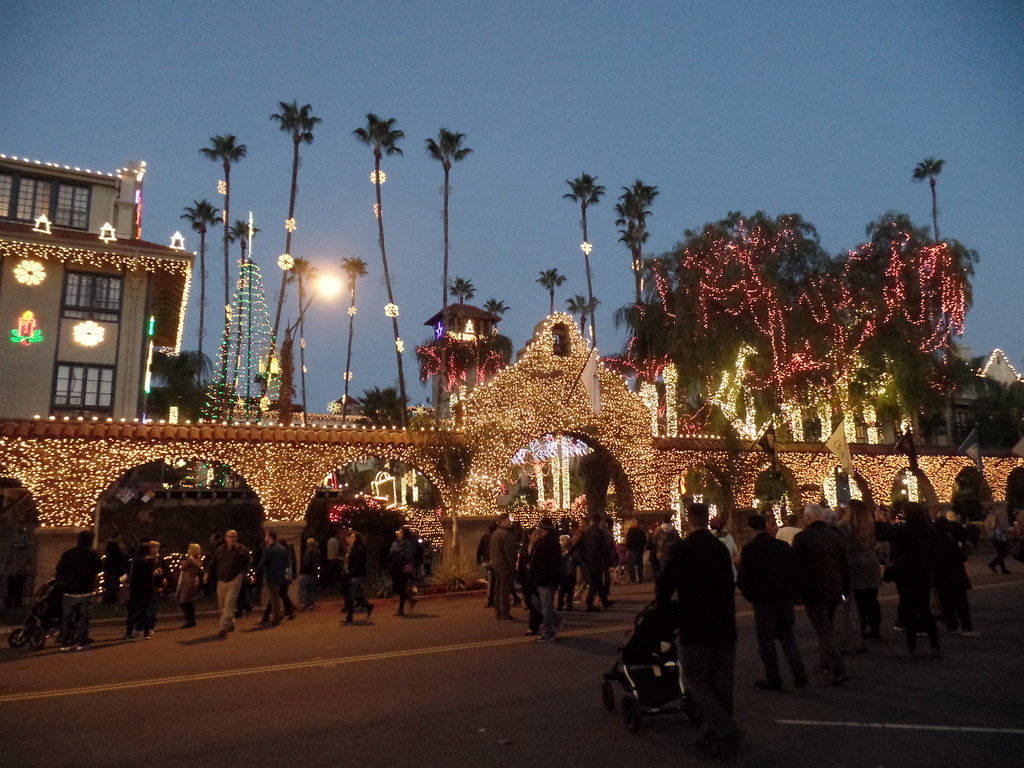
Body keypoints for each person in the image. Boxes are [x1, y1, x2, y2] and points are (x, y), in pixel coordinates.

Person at [656, 503, 741, 760]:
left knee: (696, 679)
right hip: (724, 624)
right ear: (707, 520)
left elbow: (664, 588)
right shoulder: (719, 548)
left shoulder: (682, 550)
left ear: (688, 520)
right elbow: (730, 583)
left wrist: (666, 619)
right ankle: (717, 734)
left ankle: (725, 729)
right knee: (722, 683)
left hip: (695, 624)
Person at [737, 514, 807, 692]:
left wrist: (751, 596)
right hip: (783, 597)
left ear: (751, 529)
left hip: (763, 600)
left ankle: (773, 677)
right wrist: (793, 592)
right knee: (787, 635)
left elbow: (744, 578)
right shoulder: (781, 546)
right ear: (766, 526)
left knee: (766, 640)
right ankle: (799, 673)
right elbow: (796, 571)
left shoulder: (750, 549)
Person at [792, 503, 850, 684]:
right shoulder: (836, 535)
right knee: (827, 626)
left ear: (808, 518)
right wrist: (845, 589)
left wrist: (797, 592)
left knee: (823, 629)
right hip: (834, 588)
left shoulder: (802, 538)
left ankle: (837, 667)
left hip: (813, 591)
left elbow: (797, 567)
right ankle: (825, 662)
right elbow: (845, 565)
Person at [887, 502, 941, 657]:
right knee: (925, 610)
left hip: (905, 573)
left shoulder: (903, 529)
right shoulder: (928, 528)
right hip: (923, 572)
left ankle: (912, 647)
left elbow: (886, 534)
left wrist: (882, 518)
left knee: (909, 609)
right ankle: (935, 646)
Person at [837, 499, 882, 643]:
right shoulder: (870, 525)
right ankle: (875, 629)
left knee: (859, 601)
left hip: (855, 565)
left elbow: (841, 546)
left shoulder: (844, 526)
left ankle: (861, 630)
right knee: (872, 600)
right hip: (871, 563)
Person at [54, 530, 102, 651]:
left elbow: (59, 571)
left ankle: (64, 641)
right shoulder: (92, 554)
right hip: (86, 589)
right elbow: (99, 568)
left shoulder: (68, 554)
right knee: (83, 618)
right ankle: (81, 641)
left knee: (67, 616)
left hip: (70, 589)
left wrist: (65, 581)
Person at [932, 515, 977, 636]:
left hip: (939, 574)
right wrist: (963, 550)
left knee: (946, 603)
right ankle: (967, 628)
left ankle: (952, 626)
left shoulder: (933, 539)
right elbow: (960, 556)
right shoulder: (949, 539)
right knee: (960, 602)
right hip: (954, 573)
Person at [204, 529, 251, 638]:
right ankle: (230, 623)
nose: (232, 539)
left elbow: (247, 563)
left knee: (229, 603)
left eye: (234, 536)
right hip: (221, 580)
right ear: (225, 538)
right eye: (230, 536)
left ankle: (223, 627)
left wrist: (243, 574)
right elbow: (212, 562)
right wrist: (207, 573)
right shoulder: (219, 550)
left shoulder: (242, 550)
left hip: (234, 579)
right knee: (222, 604)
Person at [528, 517, 563, 643]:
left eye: (540, 529)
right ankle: (556, 618)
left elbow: (551, 564)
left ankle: (548, 631)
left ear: (545, 530)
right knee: (537, 603)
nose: (539, 531)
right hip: (540, 579)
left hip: (546, 580)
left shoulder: (551, 544)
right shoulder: (542, 542)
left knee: (546, 606)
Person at [578, 513, 614, 612]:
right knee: (595, 583)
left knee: (598, 582)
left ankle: (605, 601)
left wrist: (582, 559)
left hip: (588, 561)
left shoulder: (586, 532)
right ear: (599, 522)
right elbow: (605, 549)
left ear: (591, 521)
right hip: (597, 560)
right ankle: (589, 604)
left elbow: (580, 546)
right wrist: (609, 562)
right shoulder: (601, 532)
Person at [256, 530, 290, 625]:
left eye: (266, 536)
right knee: (274, 596)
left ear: (270, 537)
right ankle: (267, 616)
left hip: (271, 575)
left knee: (274, 597)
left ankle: (276, 616)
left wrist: (256, 574)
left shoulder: (269, 549)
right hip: (281, 575)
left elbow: (263, 562)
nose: (265, 538)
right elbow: (287, 562)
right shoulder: (282, 548)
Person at [489, 512, 518, 622]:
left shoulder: (495, 534)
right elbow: (509, 553)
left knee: (498, 590)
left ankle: (498, 613)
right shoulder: (506, 535)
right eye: (507, 520)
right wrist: (513, 566)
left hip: (496, 565)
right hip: (505, 566)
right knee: (504, 591)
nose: (509, 522)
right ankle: (505, 614)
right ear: (502, 522)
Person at [341, 531, 374, 623]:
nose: (351, 539)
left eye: (353, 538)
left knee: (351, 593)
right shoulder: (349, 549)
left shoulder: (359, 549)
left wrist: (352, 572)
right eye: (350, 538)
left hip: (356, 574)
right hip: (348, 574)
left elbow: (358, 563)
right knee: (355, 593)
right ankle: (367, 606)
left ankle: (350, 616)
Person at [389, 527, 419, 616]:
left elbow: (408, 556)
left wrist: (399, 554)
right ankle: (409, 599)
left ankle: (401, 609)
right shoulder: (399, 543)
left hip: (405, 567)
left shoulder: (408, 543)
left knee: (401, 586)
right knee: (396, 587)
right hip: (399, 566)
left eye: (400, 532)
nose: (399, 534)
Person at [176, 543, 203, 628]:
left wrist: (182, 563)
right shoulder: (198, 560)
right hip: (193, 582)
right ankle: (192, 620)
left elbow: (182, 568)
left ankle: (189, 620)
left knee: (183, 601)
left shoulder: (190, 560)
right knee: (189, 601)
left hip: (187, 582)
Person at [985, 506, 1012, 574]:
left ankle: (1002, 568)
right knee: (1002, 553)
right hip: (997, 537)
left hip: (998, 537)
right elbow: (990, 527)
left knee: (1001, 553)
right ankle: (993, 564)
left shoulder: (995, 517)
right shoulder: (991, 518)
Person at [477, 522, 497, 608]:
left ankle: (491, 597)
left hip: (486, 560)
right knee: (493, 579)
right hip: (493, 560)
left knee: (490, 578)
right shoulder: (495, 537)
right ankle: (491, 597)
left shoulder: (484, 537)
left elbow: (480, 548)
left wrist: (478, 559)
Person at [299, 537, 322, 611]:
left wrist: (302, 570)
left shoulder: (308, 551)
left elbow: (306, 562)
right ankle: (311, 604)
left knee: (304, 588)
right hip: (314, 572)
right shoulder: (317, 551)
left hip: (307, 572)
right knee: (311, 589)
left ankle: (307, 604)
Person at [557, 534, 577, 611]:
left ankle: (569, 604)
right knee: (562, 590)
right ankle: (560, 604)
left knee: (570, 590)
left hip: (571, 573)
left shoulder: (573, 552)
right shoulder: (561, 552)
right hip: (563, 573)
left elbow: (577, 560)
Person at [624, 519, 648, 583]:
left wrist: (628, 548)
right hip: (640, 550)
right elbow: (645, 540)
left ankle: (633, 579)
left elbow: (628, 541)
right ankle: (641, 579)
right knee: (640, 565)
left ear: (632, 524)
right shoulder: (641, 531)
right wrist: (642, 547)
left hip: (632, 550)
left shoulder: (630, 531)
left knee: (631, 565)